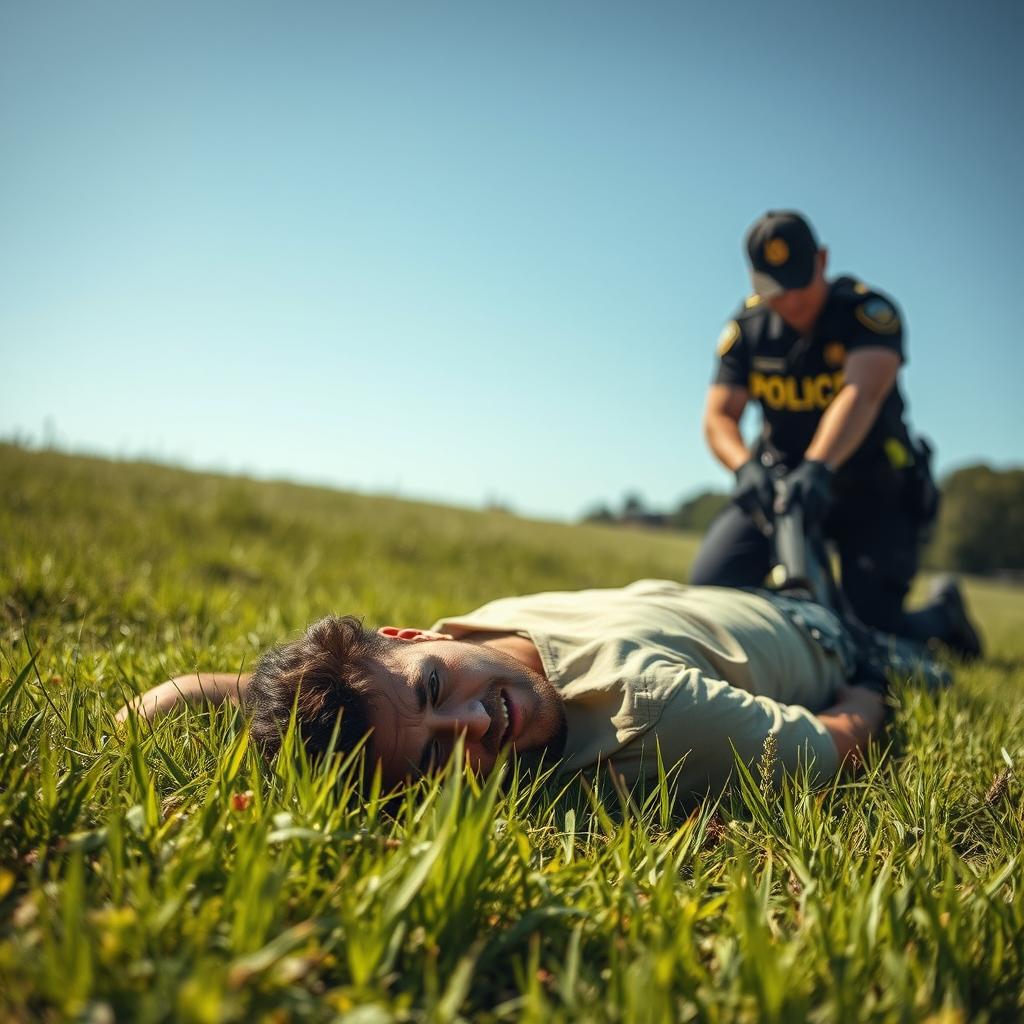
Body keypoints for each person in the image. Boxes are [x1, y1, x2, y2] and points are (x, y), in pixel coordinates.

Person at [116, 579, 949, 802]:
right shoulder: (646, 719)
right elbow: (833, 741)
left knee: (897, 636)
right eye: (442, 758)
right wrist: (873, 689)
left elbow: (844, 739)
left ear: (406, 634)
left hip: (816, 631)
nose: (475, 721)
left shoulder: (644, 701)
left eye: (438, 689)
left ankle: (909, 628)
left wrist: (867, 679)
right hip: (754, 615)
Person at [690, 210, 981, 659]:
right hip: (781, 485)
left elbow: (860, 394)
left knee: (868, 630)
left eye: (798, 283)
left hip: (870, 486)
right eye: (774, 288)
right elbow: (719, 415)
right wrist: (744, 467)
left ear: (822, 261)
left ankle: (943, 616)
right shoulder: (747, 330)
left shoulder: (867, 314)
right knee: (712, 588)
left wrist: (818, 466)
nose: (790, 301)